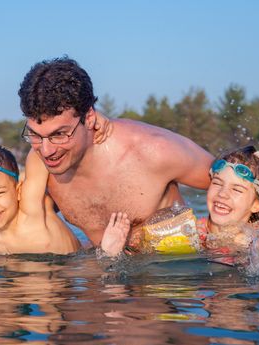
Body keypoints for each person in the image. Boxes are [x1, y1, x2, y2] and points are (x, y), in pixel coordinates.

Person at [18, 57, 214, 250]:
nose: (46, 151)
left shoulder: (153, 151)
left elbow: (238, 182)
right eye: (35, 135)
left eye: (59, 134)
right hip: (100, 277)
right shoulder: (41, 168)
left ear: (89, 118)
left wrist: (221, 237)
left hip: (171, 276)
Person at [101, 145, 259, 269]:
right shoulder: (191, 232)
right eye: (217, 183)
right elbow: (131, 264)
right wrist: (112, 252)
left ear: (255, 204)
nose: (222, 194)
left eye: (237, 190)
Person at [0, 113, 112, 255]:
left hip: (82, 263)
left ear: (19, 190)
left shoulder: (32, 209)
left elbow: (39, 151)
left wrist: (86, 118)